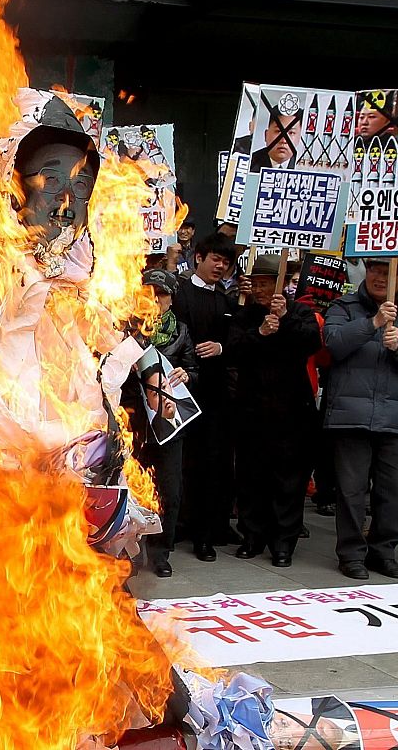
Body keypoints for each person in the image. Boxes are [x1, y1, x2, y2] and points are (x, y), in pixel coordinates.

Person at [321, 258, 398, 580]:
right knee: (351, 491)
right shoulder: (343, 307)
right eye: (375, 271)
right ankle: (351, 554)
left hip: (394, 417)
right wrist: (372, 323)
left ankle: (384, 552)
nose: (381, 278)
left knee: (393, 491)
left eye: (388, 273)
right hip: (350, 416)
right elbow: (333, 343)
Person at [229, 253, 323, 567]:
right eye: (255, 284)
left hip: (292, 413)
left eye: (266, 284)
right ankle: (252, 537)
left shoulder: (300, 313)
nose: (259, 290)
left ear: (279, 285)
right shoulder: (244, 316)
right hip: (252, 411)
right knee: (251, 478)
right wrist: (261, 333)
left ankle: (284, 543)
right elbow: (234, 351)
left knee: (289, 481)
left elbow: (312, 343)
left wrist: (285, 320)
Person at [172, 233, 238, 561]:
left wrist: (221, 347)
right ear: (199, 257)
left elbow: (237, 341)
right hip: (179, 388)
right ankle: (175, 525)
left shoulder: (226, 301)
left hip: (214, 394)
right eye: (215, 259)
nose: (220, 266)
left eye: (226, 262)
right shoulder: (179, 293)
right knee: (180, 463)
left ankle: (205, 534)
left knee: (211, 464)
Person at [132, 268, 197, 577]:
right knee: (130, 488)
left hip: (168, 424)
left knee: (169, 490)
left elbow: (194, 369)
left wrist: (187, 374)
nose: (155, 300)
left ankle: (160, 552)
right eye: (150, 293)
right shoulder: (124, 328)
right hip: (132, 423)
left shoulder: (180, 332)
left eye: (162, 295)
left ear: (172, 299)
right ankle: (128, 551)